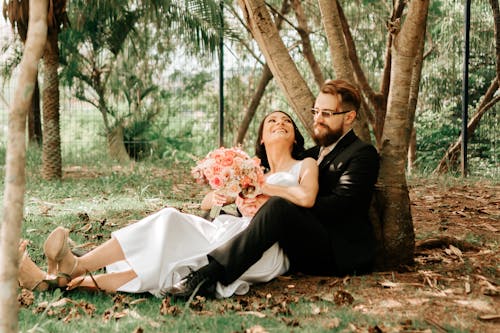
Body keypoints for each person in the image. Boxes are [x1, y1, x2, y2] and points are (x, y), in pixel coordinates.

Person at [17, 110, 319, 298]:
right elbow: (208, 203)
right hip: (231, 226)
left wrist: (265, 188)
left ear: (295, 137)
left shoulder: (305, 164)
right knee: (168, 220)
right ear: (262, 139)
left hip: (261, 246)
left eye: (287, 121)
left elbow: (307, 198)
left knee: (178, 254)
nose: (280, 123)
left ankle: (74, 270)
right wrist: (217, 195)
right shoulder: (250, 169)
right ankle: (65, 277)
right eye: (272, 121)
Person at [167, 79, 380, 299]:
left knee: (278, 206)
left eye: (327, 113)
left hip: (338, 252)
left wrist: (277, 201)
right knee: (224, 214)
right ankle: (185, 256)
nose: (318, 119)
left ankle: (208, 277)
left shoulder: (362, 154)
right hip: (297, 243)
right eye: (316, 111)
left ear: (349, 117)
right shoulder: (312, 154)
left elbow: (341, 208)